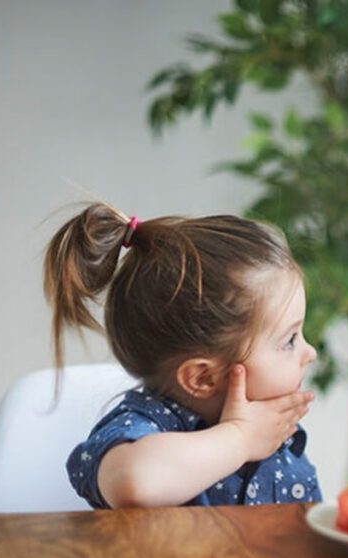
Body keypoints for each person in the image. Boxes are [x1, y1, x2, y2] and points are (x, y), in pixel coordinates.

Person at [44, 202, 322, 508]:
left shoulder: (276, 436)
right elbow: (134, 481)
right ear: (203, 377)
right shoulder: (144, 427)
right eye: (290, 340)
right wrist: (240, 439)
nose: (310, 352)